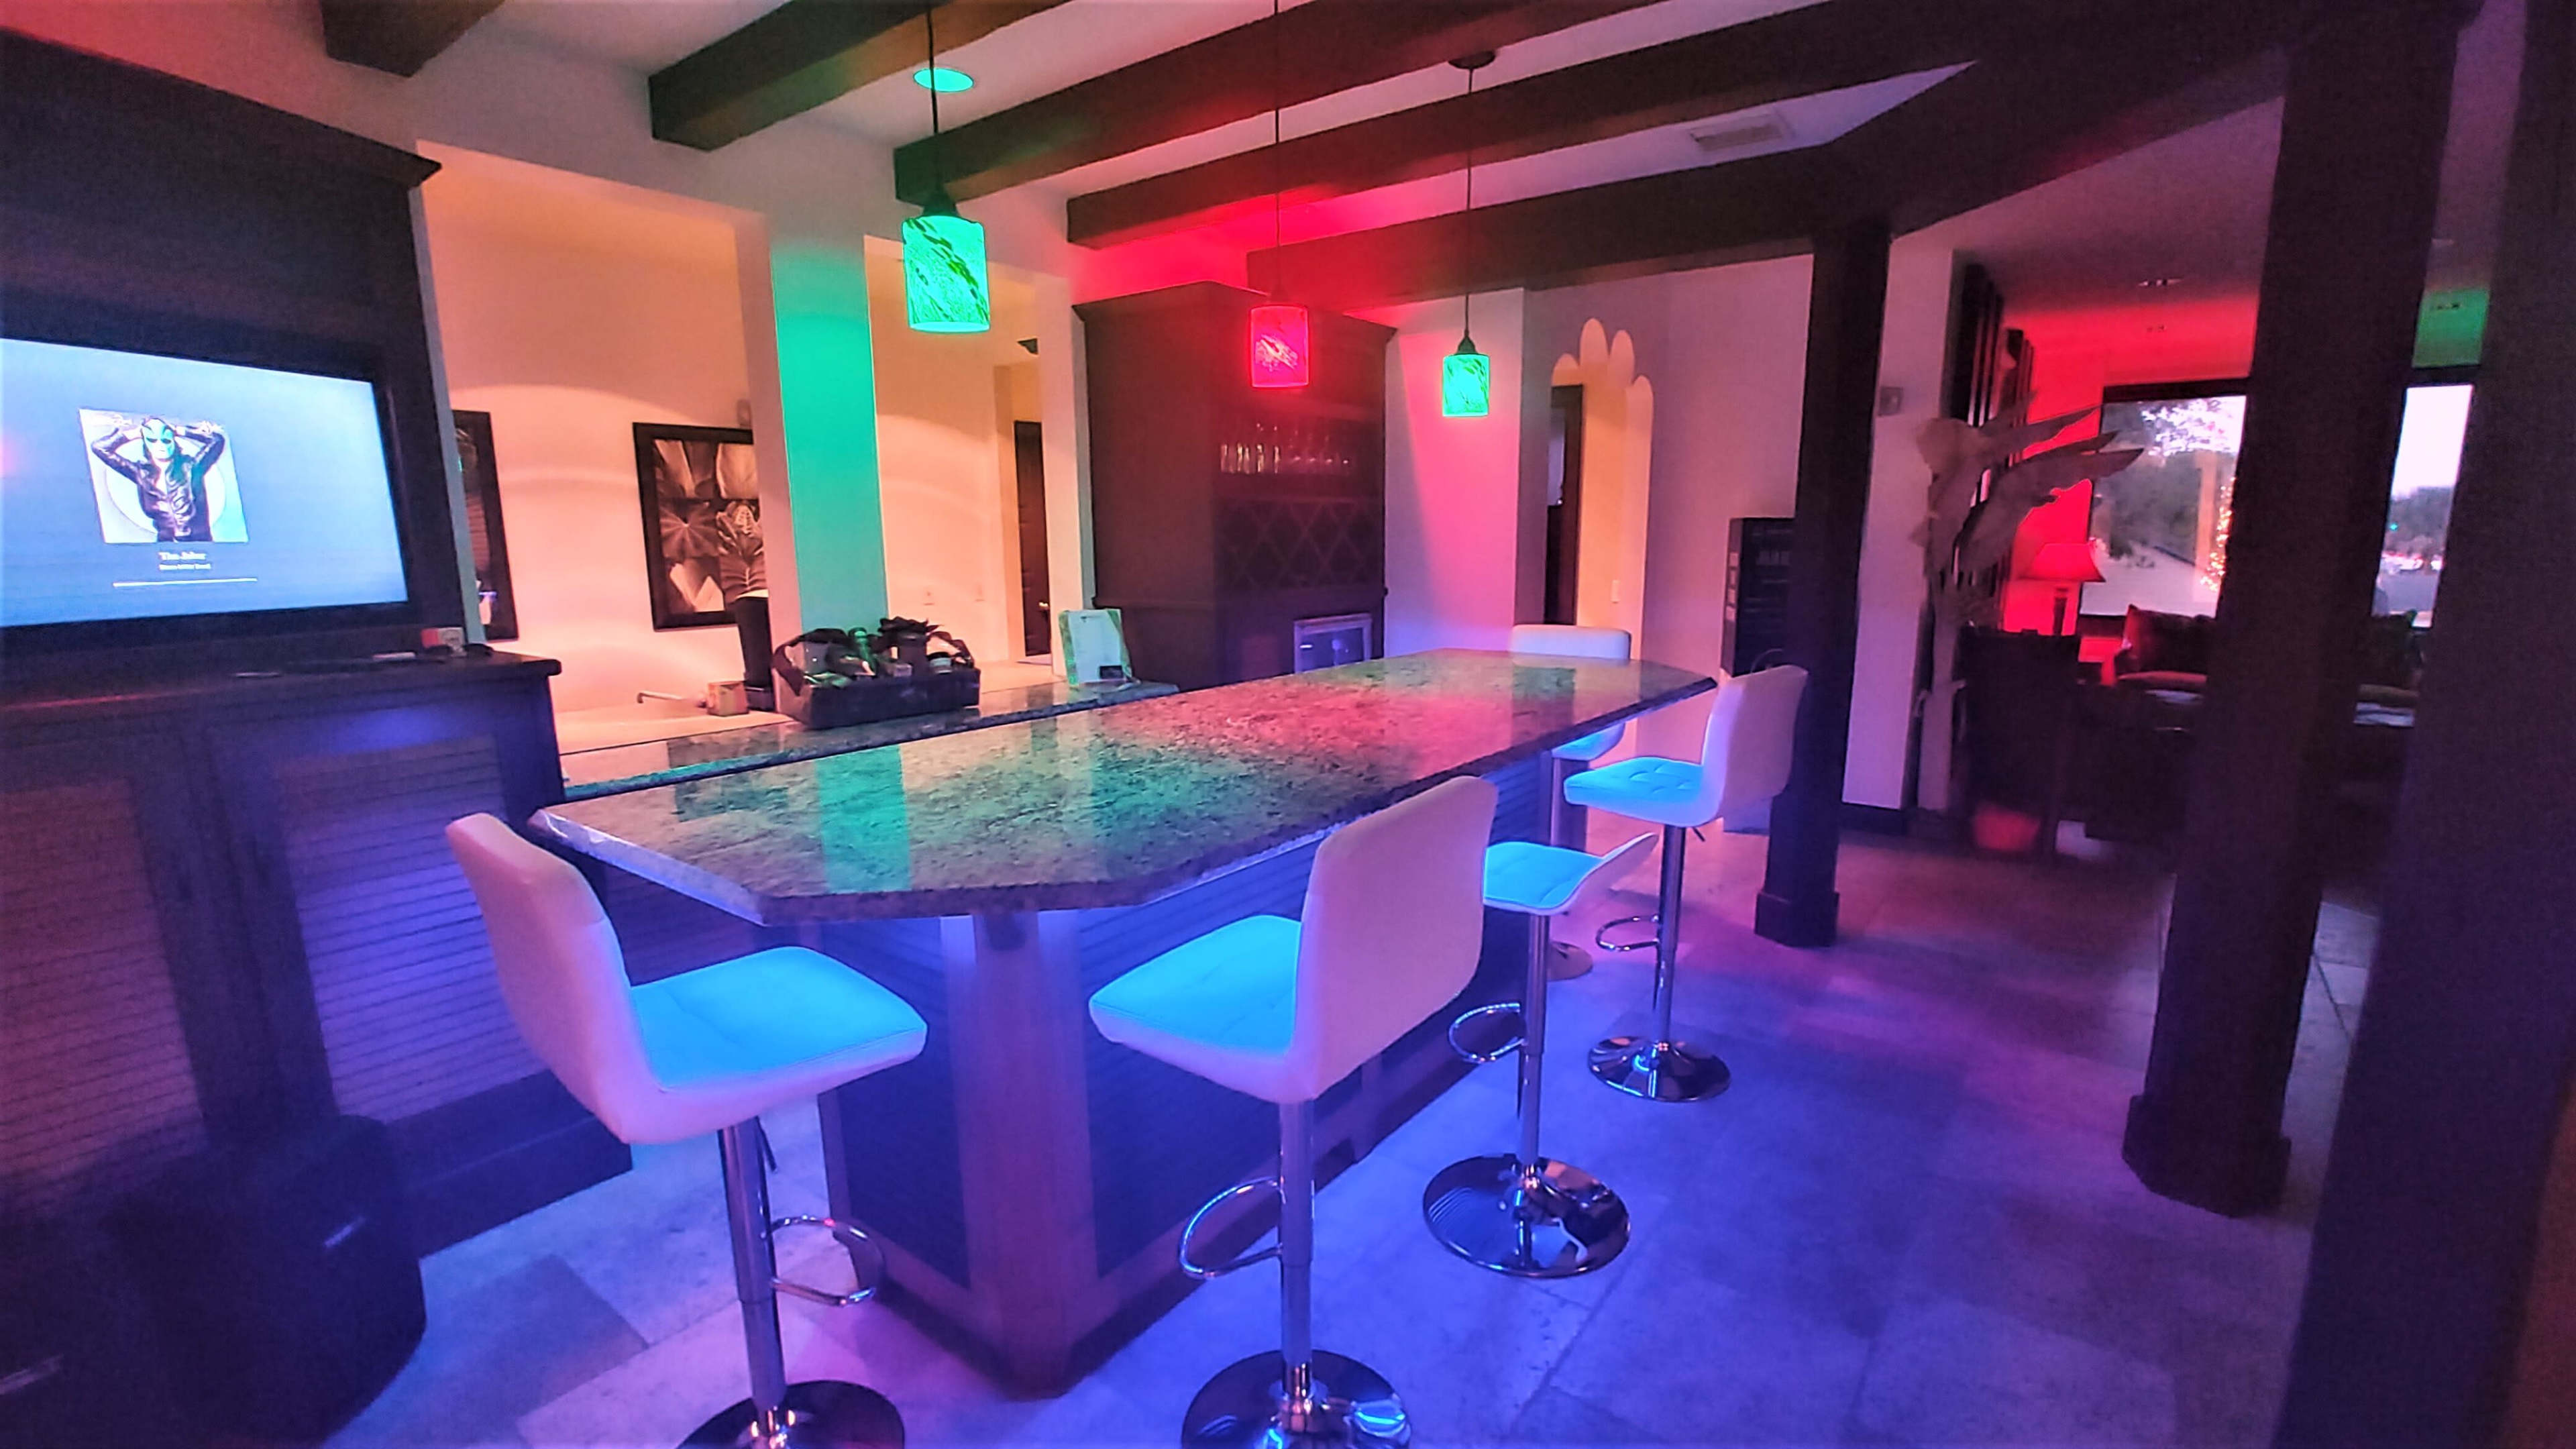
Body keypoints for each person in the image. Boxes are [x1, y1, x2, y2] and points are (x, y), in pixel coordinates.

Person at [91, 416, 225, 542]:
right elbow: (100, 448)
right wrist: (135, 433)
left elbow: (217, 441)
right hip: (165, 547)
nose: (161, 445)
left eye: (166, 440)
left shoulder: (191, 467)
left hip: (199, 545)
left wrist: (179, 430)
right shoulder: (141, 473)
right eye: (153, 440)